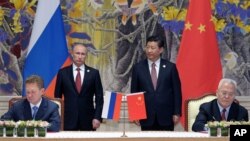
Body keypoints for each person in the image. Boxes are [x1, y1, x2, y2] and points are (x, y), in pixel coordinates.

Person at [130, 35, 182, 131]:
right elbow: (134, 92)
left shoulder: (171, 68)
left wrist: (177, 112)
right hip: (146, 116)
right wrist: (135, 114)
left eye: (153, 48)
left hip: (166, 116)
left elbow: (177, 92)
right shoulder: (138, 68)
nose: (149, 50)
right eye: (147, 47)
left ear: (161, 50)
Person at [54, 43, 103, 131]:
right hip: (67, 120)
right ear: (72, 54)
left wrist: (97, 117)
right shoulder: (62, 73)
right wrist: (58, 117)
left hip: (89, 120)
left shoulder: (94, 73)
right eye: (77, 53)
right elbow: (57, 98)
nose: (80, 56)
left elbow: (99, 98)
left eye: (83, 54)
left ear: (86, 56)